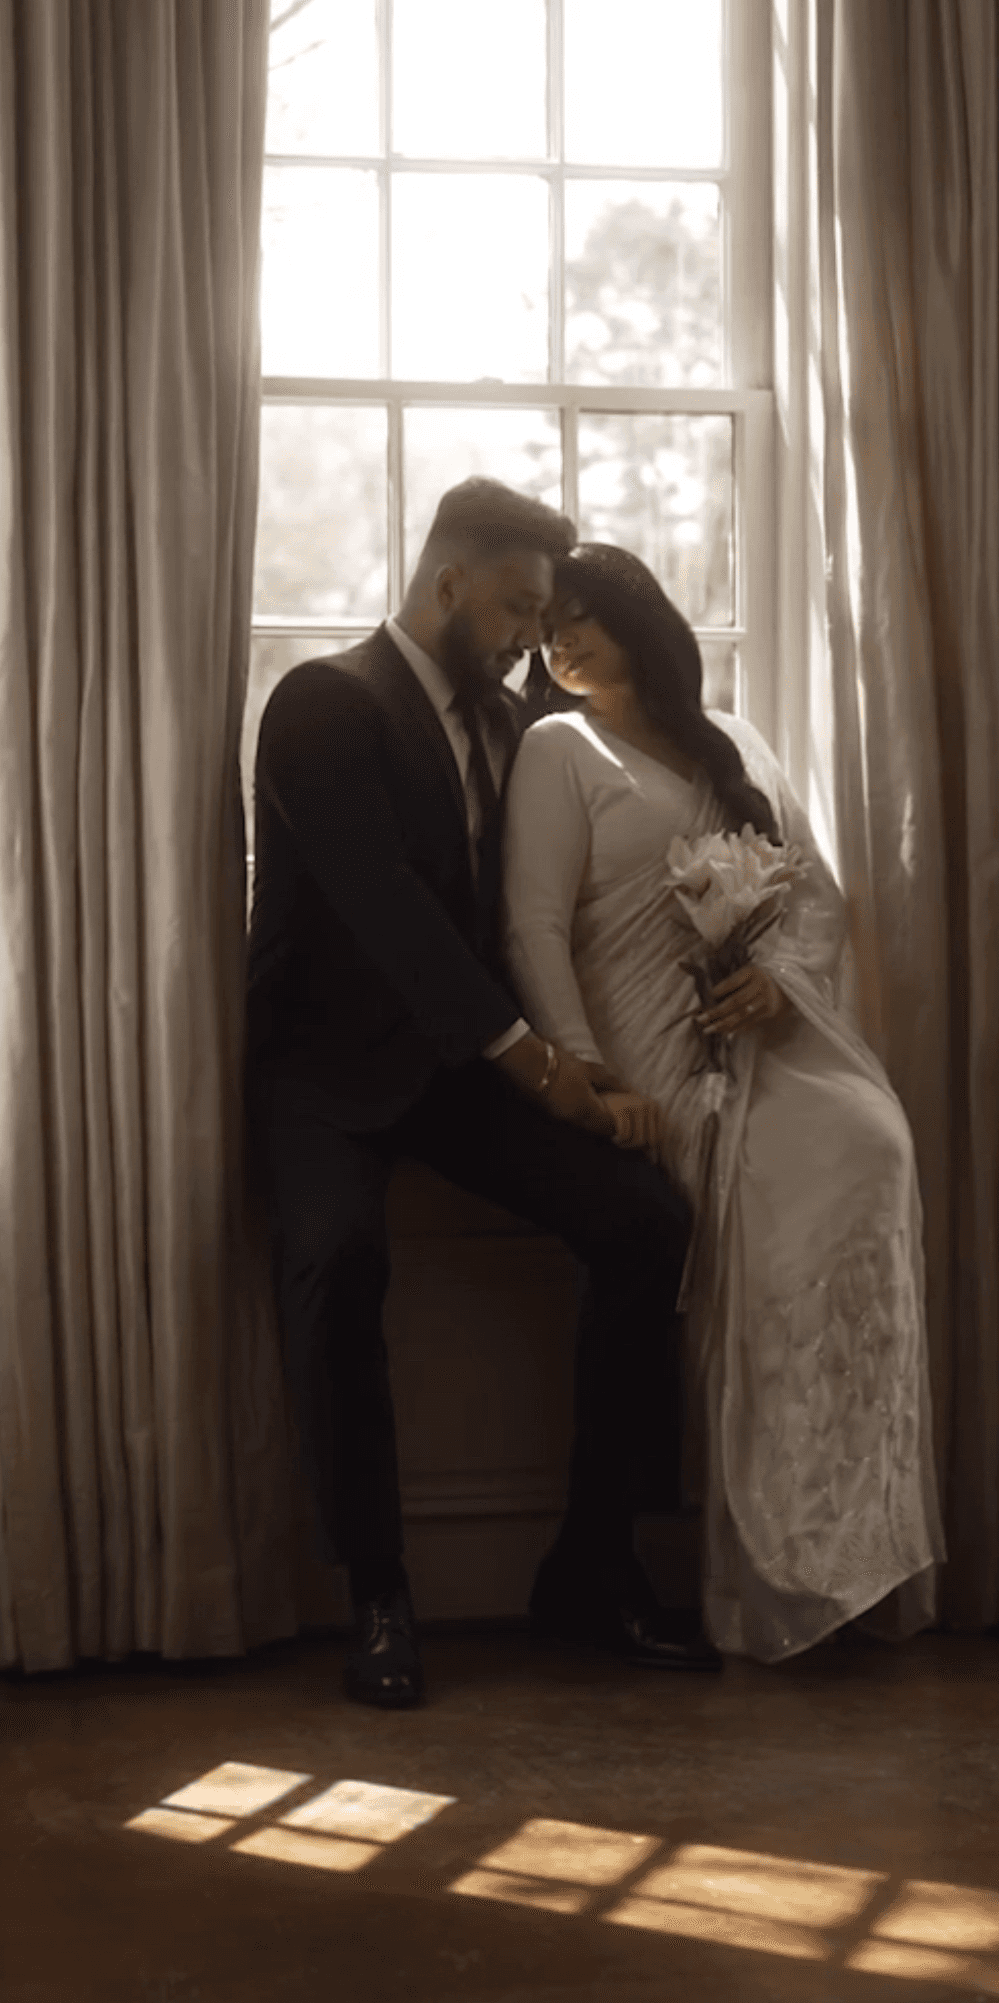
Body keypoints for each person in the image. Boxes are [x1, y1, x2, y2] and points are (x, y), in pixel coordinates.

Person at [246, 481, 721, 1711]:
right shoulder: (321, 701)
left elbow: (533, 900)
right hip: (329, 1074)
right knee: (340, 1259)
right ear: (448, 585)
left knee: (648, 1219)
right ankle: (380, 1593)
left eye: (542, 612)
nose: (530, 636)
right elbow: (392, 915)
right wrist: (546, 1070)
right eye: (515, 607)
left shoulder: (516, 727)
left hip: (458, 1072)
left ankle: (594, 1565)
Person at [503, 544, 946, 1664]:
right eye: (547, 626)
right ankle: (781, 1572)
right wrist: (591, 1075)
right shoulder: (559, 747)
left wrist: (774, 983)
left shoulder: (734, 740)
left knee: (873, 1143)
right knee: (789, 1190)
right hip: (649, 1056)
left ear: (636, 617)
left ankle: (856, 1551)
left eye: (582, 617)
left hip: (769, 1034)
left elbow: (815, 897)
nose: (559, 641)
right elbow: (533, 929)